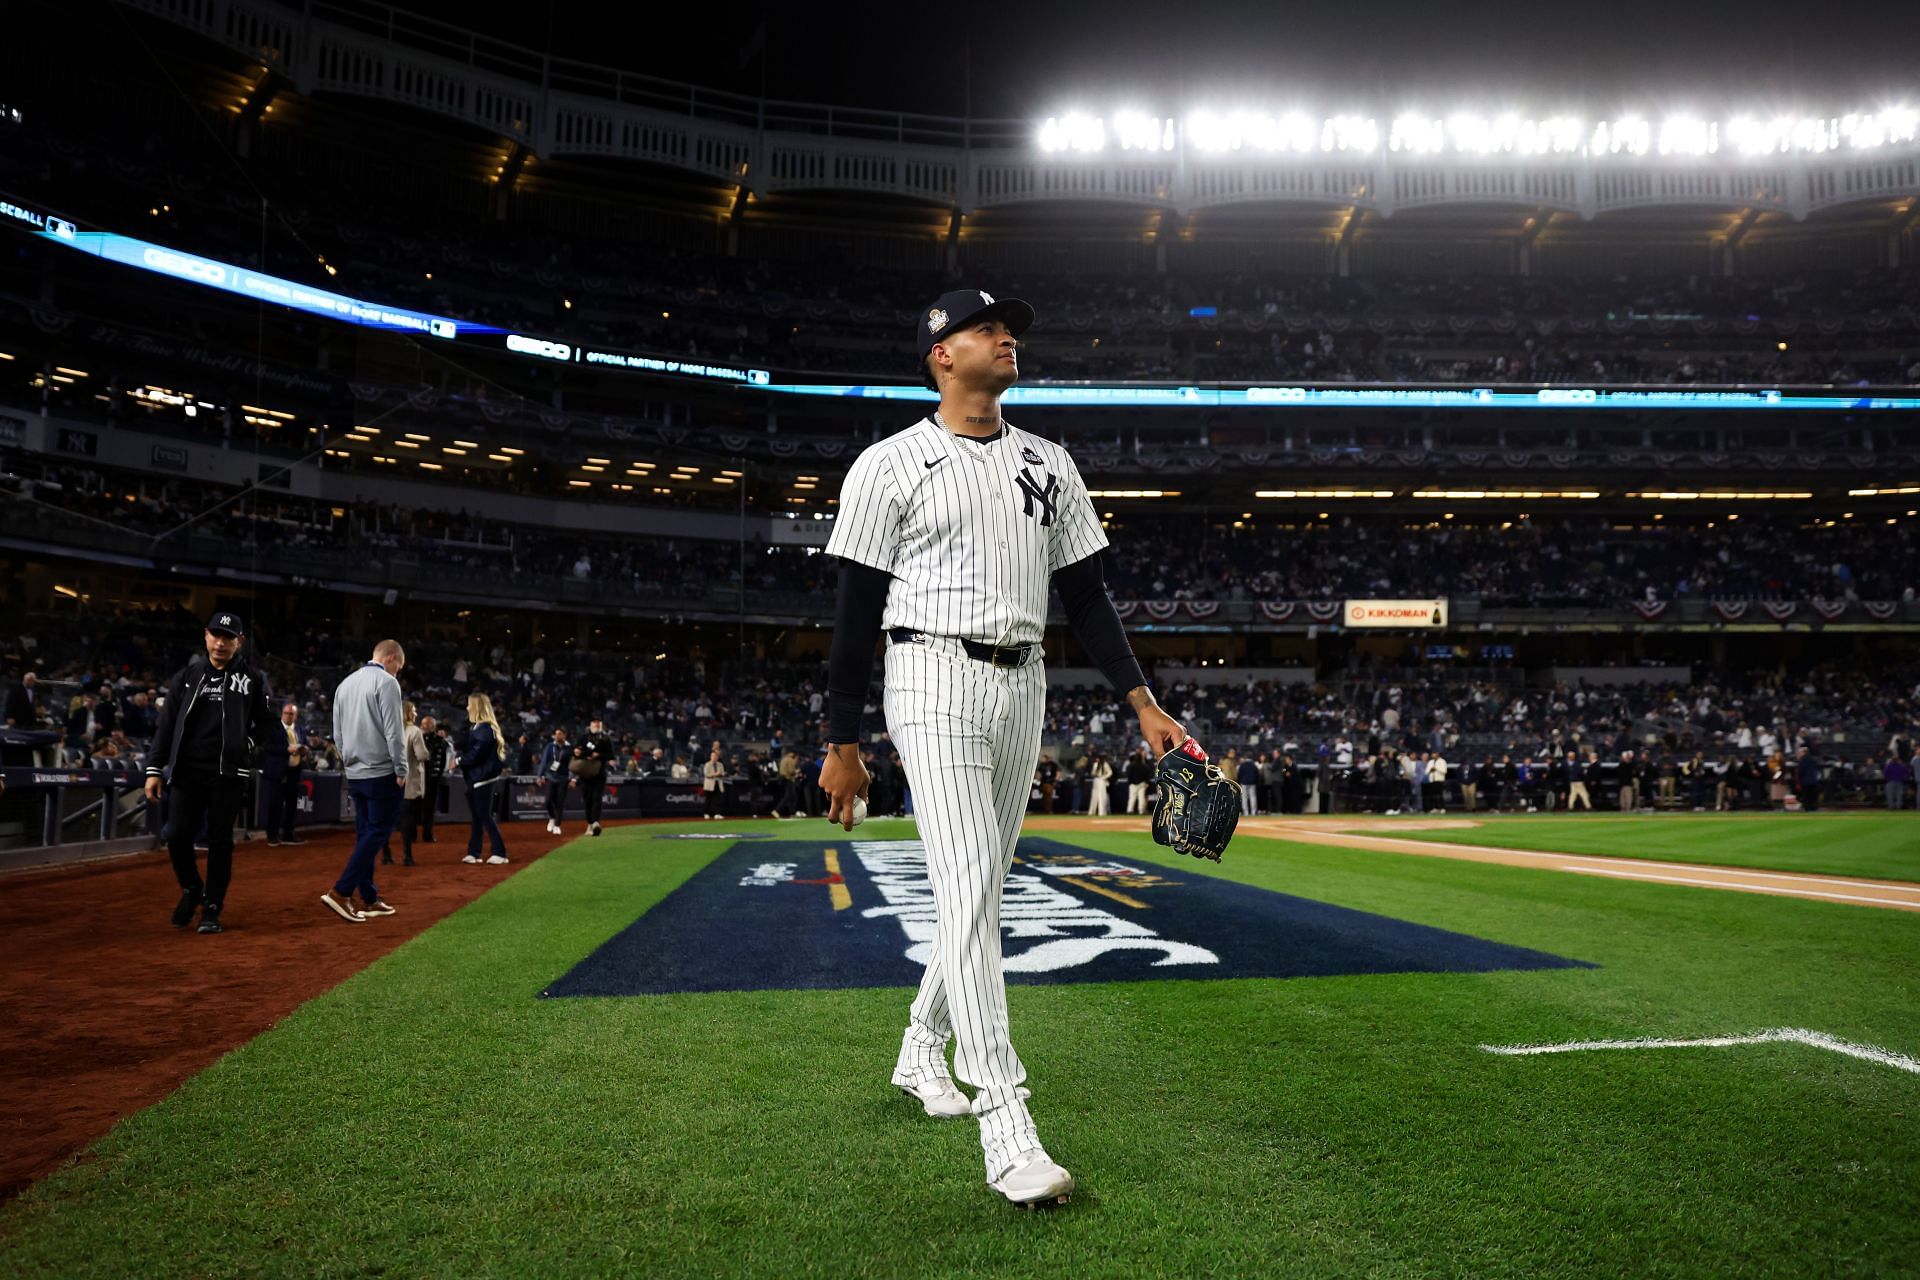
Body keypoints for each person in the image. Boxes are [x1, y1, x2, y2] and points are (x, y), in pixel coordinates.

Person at [818, 287, 1186, 1206]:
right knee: (970, 879)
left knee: (980, 886)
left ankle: (918, 1047)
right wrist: (840, 739)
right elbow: (855, 613)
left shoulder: (1051, 462)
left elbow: (1090, 600)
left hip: (1024, 680)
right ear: (942, 354)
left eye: (1006, 325)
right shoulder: (889, 463)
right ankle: (1008, 1127)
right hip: (929, 671)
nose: (1005, 335)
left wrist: (1141, 702)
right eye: (984, 328)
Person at [143, 611, 283, 935]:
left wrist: (246, 744)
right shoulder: (187, 676)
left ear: (240, 642)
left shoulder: (252, 679)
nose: (221, 643)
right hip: (187, 772)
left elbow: (268, 723)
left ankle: (213, 906)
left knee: (220, 841)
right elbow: (166, 726)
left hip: (228, 774)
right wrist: (154, 769)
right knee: (176, 834)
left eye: (228, 637)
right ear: (205, 636)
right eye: (216, 635)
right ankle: (193, 888)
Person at [322, 640, 408, 923]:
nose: (397, 673)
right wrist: (401, 768)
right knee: (379, 833)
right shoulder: (387, 683)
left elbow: (337, 733)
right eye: (398, 668)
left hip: (355, 772)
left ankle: (369, 897)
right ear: (392, 658)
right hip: (382, 772)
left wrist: (348, 762)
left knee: (365, 835)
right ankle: (341, 891)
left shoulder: (345, 684)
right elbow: (394, 732)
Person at [459, 692, 509, 864]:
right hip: (476, 777)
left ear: (476, 707)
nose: (466, 708)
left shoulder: (484, 729)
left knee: (484, 816)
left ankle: (500, 852)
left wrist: (459, 760)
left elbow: (476, 755)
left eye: (469, 704)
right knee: (477, 817)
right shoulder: (478, 728)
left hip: (483, 777)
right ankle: (474, 852)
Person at [264, 701, 308, 847]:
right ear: (282, 713)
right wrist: (286, 749)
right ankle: (272, 835)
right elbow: (267, 747)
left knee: (291, 804)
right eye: (286, 713)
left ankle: (288, 834)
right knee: (274, 804)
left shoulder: (300, 729)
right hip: (277, 772)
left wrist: (304, 750)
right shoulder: (273, 728)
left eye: (291, 713)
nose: (288, 716)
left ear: (296, 715)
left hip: (294, 772)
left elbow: (304, 743)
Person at [575, 715, 613, 836]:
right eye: (594, 722)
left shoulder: (605, 739)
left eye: (598, 722)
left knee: (597, 798)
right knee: (587, 800)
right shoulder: (583, 738)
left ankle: (596, 822)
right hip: (585, 773)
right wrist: (587, 754)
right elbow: (576, 752)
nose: (596, 724)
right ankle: (590, 823)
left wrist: (598, 755)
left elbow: (610, 755)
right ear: (590, 724)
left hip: (599, 773)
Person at [399, 700, 427, 863]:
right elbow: (422, 755)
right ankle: (407, 856)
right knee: (408, 819)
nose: (416, 714)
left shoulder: (388, 729)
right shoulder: (414, 731)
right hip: (410, 782)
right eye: (414, 711)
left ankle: (387, 855)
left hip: (390, 780)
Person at [538, 727, 573, 834]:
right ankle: (552, 818)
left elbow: (572, 764)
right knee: (548, 801)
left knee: (560, 802)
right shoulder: (550, 746)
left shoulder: (569, 748)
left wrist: (572, 778)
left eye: (560, 734)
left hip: (563, 778)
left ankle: (557, 825)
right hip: (550, 776)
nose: (558, 736)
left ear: (565, 735)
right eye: (556, 734)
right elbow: (544, 761)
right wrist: (540, 776)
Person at [419, 716, 447, 841]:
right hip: (416, 779)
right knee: (413, 807)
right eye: (424, 724)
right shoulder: (416, 738)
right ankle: (411, 834)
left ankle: (427, 834)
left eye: (429, 724)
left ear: (434, 727)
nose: (426, 726)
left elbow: (442, 761)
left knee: (429, 807)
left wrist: (437, 775)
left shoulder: (440, 741)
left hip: (432, 779)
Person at [701, 741, 727, 819]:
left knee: (717, 800)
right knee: (708, 799)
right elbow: (706, 774)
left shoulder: (720, 764)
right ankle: (706, 813)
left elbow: (722, 773)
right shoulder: (707, 764)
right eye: (713, 756)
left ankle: (717, 814)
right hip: (709, 784)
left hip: (718, 783)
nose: (714, 757)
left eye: (716, 756)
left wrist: (721, 774)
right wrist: (714, 774)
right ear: (710, 757)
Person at [1124, 746, 1152, 814]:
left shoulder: (1130, 766)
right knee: (1141, 798)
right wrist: (1147, 782)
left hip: (1133, 784)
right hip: (1142, 784)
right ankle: (1141, 810)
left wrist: (1130, 782)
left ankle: (1130, 810)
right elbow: (1148, 775)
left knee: (1132, 797)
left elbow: (1128, 775)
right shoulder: (1145, 766)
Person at [1087, 752, 1112, 816]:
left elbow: (1110, 772)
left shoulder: (1105, 764)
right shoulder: (1096, 764)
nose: (1096, 759)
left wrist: (1104, 777)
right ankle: (1093, 812)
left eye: (1097, 758)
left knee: (1101, 796)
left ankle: (1100, 812)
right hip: (1097, 780)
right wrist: (1094, 774)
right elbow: (1093, 773)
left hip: (1100, 780)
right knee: (1095, 796)